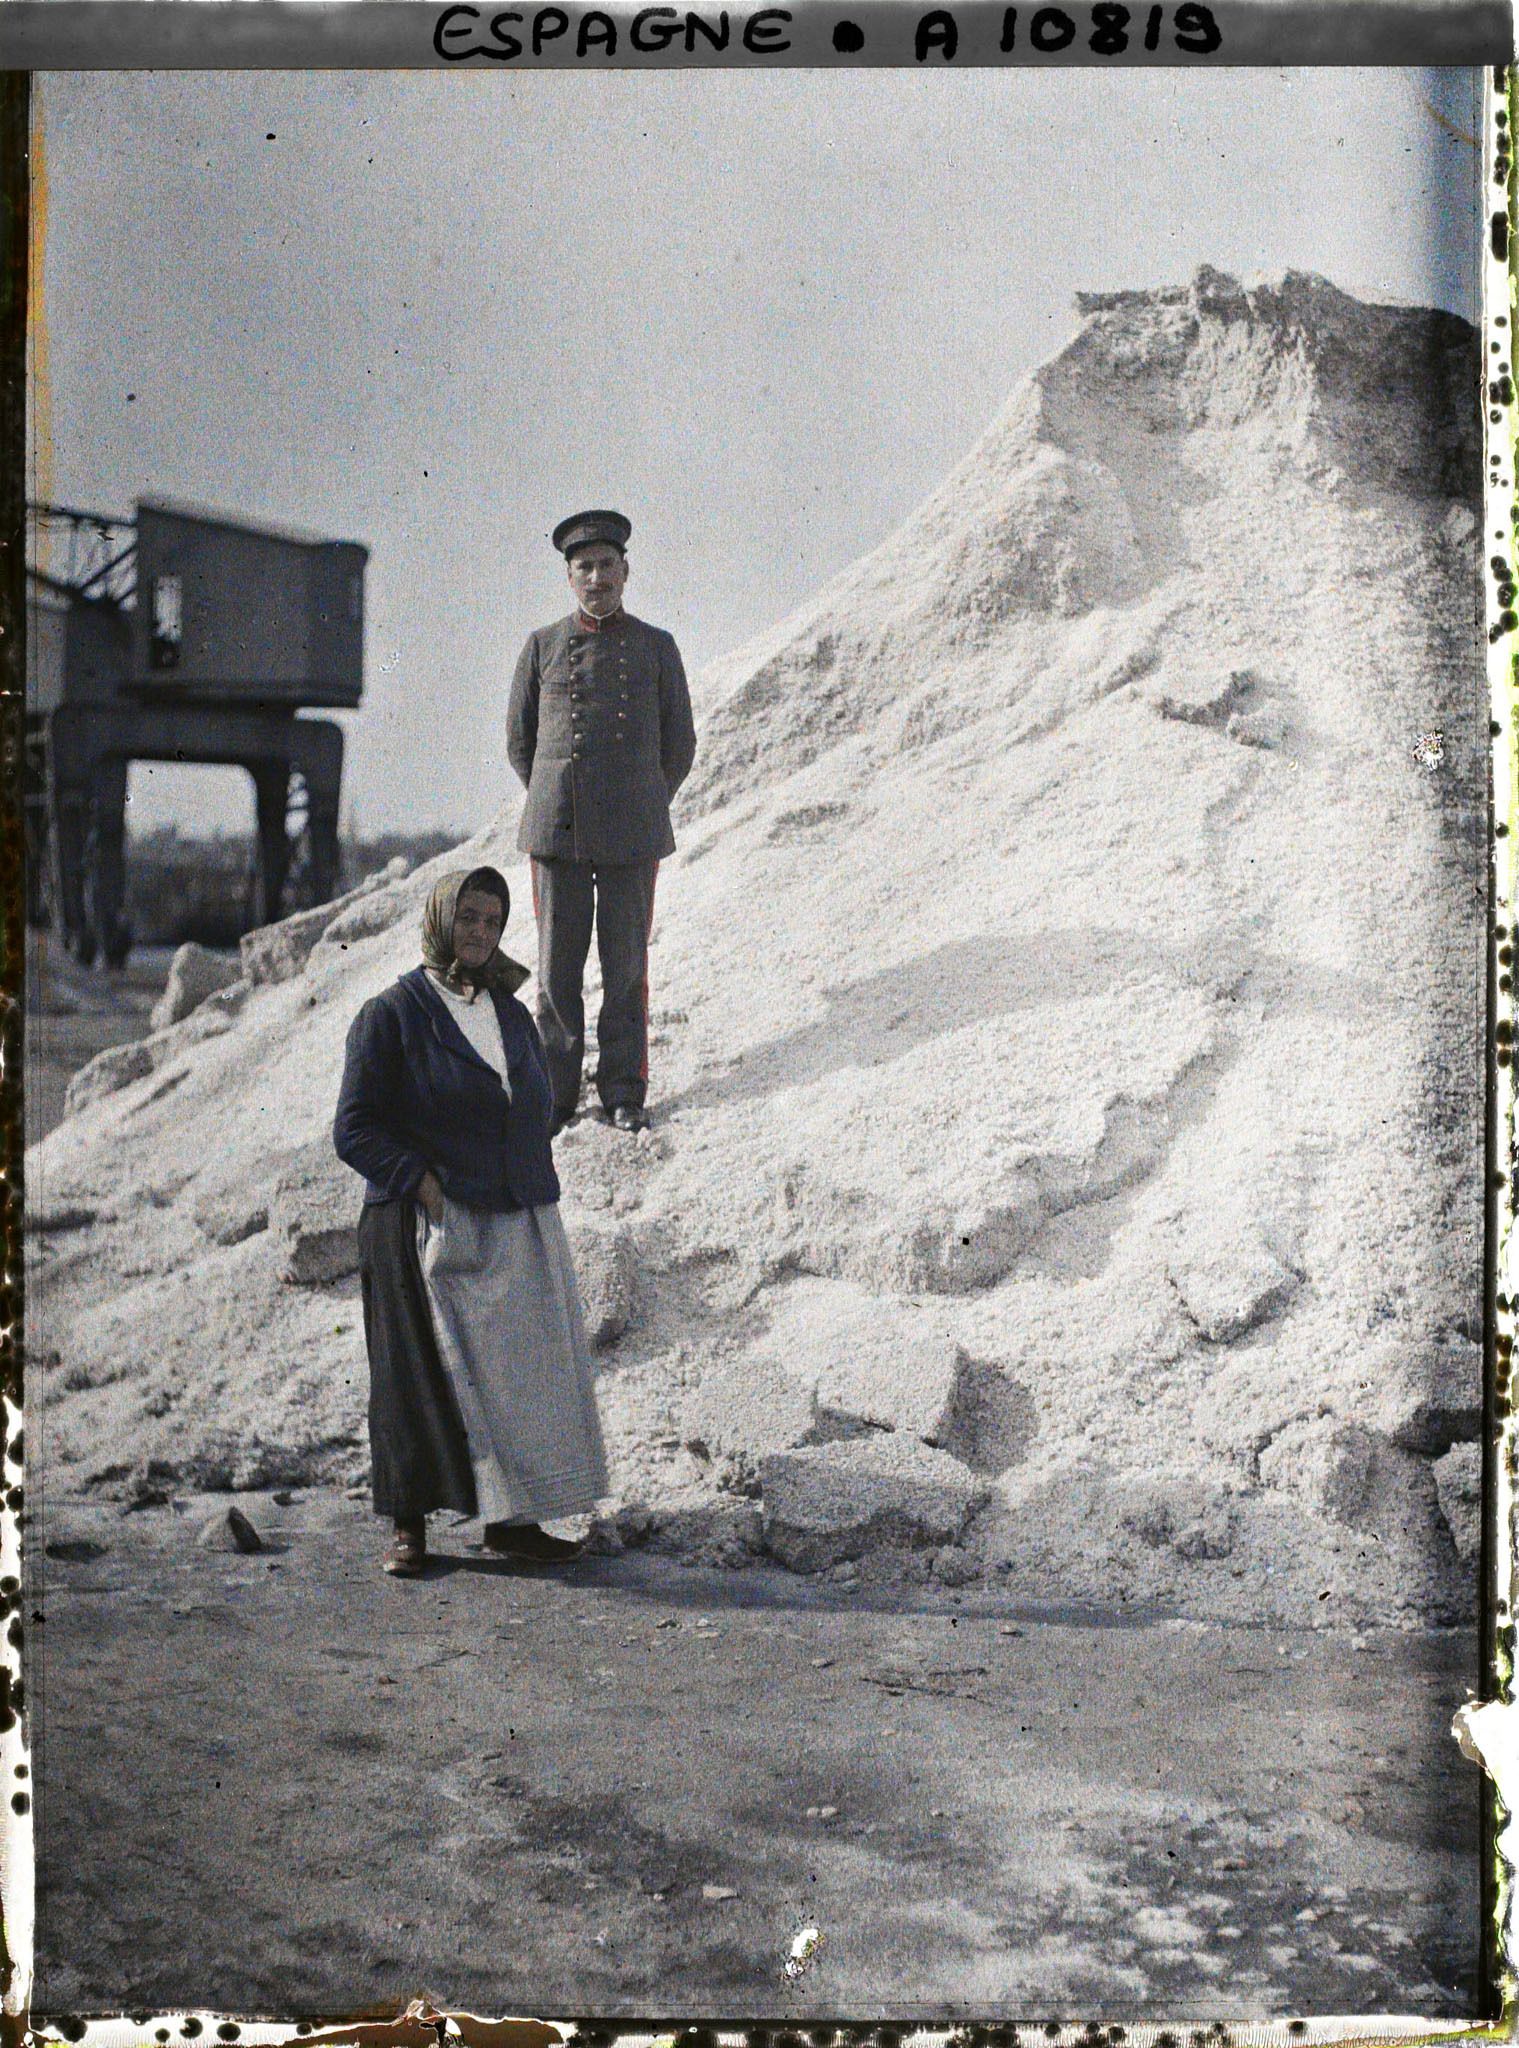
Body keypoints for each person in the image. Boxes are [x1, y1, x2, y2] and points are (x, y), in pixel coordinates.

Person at [333, 865, 610, 1578]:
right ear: (438, 922)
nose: (480, 934)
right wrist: (425, 1188)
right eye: (467, 919)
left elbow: (533, 1103)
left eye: (491, 921)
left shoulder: (510, 1012)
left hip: (507, 1212)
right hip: (416, 1222)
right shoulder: (390, 1014)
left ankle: (511, 1524)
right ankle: (407, 1529)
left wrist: (524, 1188)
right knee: (415, 1377)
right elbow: (354, 1129)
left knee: (510, 1377)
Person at [507, 508, 697, 1136]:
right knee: (558, 972)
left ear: (626, 571)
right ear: (569, 576)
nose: (597, 578)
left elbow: (681, 745)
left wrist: (640, 799)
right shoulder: (541, 646)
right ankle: (556, 1098)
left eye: (607, 565)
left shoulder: (655, 647)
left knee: (626, 969)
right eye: (584, 567)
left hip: (632, 833)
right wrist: (558, 797)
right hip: (558, 830)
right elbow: (521, 743)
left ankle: (622, 1092)